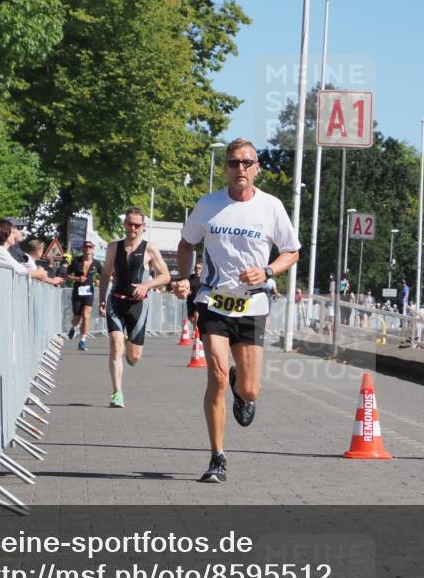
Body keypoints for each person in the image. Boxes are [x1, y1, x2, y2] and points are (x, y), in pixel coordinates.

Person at [172, 138, 300, 483]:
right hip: (213, 300)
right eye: (233, 163)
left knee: (250, 390)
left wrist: (268, 271)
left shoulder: (271, 207)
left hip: (253, 304)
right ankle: (217, 457)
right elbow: (186, 244)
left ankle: (239, 387)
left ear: (257, 167)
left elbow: (291, 251)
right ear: (225, 167)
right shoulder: (208, 205)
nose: (240, 168)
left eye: (247, 162)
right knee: (214, 375)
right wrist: (185, 279)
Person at [98, 208, 170, 408]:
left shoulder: (150, 249)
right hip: (116, 301)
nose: (133, 228)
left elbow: (166, 276)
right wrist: (102, 298)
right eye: (129, 224)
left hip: (138, 305)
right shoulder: (113, 247)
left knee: (134, 356)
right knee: (115, 345)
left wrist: (146, 285)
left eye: (137, 225)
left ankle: (131, 348)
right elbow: (105, 274)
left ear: (143, 227)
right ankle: (117, 393)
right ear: (124, 224)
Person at [0, 220, 63, 285]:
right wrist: (38, 273)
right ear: (4, 233)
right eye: (12, 232)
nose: (14, 235)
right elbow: (20, 270)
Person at [67, 241, 103, 351]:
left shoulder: (97, 263)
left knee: (86, 316)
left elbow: (105, 276)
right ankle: (74, 327)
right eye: (86, 247)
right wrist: (77, 279)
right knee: (77, 318)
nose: (88, 249)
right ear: (83, 248)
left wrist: (98, 280)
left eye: (90, 247)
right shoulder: (76, 261)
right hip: (77, 292)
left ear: (93, 249)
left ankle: (82, 340)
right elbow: (67, 275)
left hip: (89, 292)